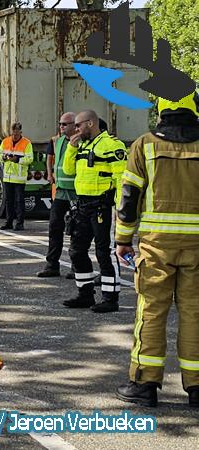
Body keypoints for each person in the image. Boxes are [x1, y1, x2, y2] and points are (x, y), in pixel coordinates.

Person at [115, 92, 199, 408]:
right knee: (195, 314)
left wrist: (123, 239)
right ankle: (196, 387)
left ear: (161, 109)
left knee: (151, 312)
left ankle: (145, 384)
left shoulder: (145, 145)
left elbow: (128, 200)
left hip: (156, 247)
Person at [61, 110, 126, 313]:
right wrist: (71, 148)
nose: (75, 130)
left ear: (90, 123)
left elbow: (122, 178)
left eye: (78, 126)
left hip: (103, 206)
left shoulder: (112, 145)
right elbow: (68, 170)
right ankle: (85, 295)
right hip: (83, 205)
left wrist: (119, 209)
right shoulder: (82, 146)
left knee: (103, 252)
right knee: (77, 251)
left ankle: (110, 298)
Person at [37, 113, 78, 278]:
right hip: (61, 191)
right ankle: (52, 264)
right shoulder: (58, 141)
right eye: (60, 123)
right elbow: (53, 160)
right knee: (54, 227)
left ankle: (77, 266)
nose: (61, 127)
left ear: (74, 125)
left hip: (75, 192)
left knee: (76, 229)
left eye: (64, 124)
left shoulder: (80, 143)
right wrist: (50, 176)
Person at [0, 122, 33, 230]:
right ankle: (9, 222)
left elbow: (30, 159)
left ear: (20, 132)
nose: (15, 135)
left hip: (19, 178)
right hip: (8, 177)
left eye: (17, 132)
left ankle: (20, 223)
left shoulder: (26, 143)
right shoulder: (5, 141)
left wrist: (17, 160)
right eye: (13, 132)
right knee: (9, 201)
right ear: (11, 132)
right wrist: (3, 157)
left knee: (19, 201)